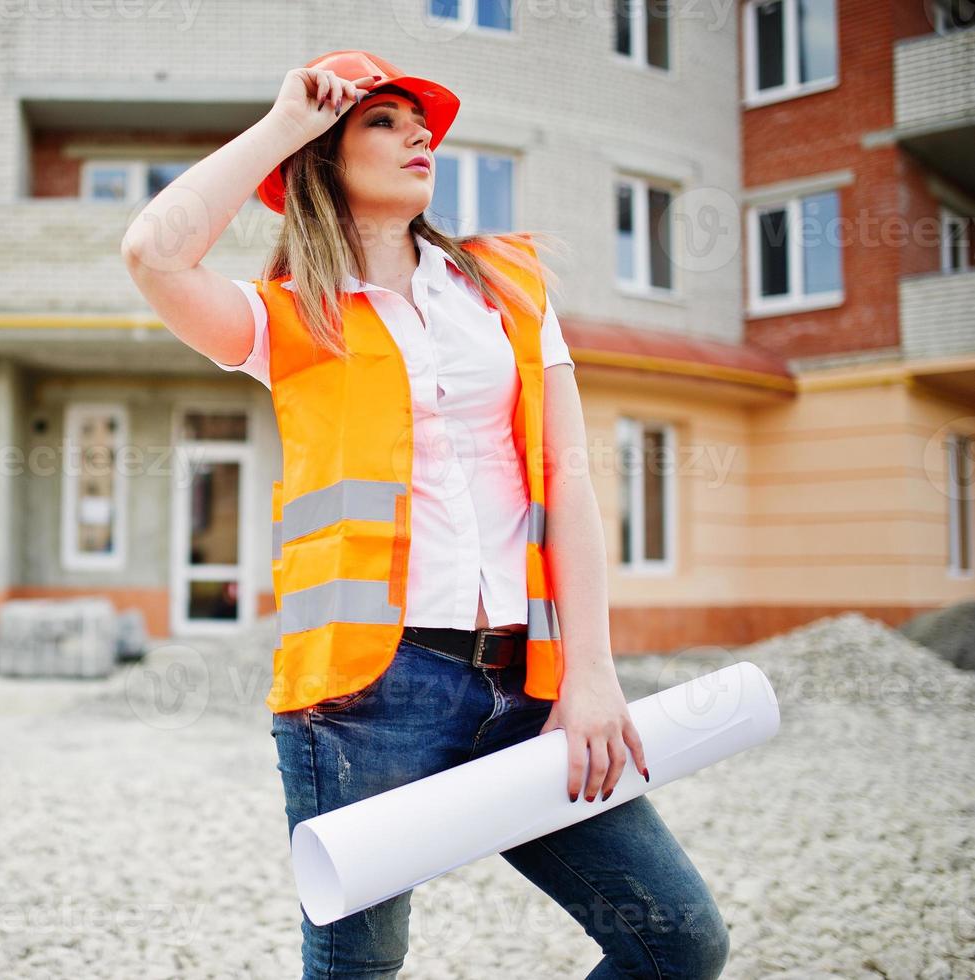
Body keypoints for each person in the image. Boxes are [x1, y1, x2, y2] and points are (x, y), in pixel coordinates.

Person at [122, 50, 730, 980]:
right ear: (324, 158)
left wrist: (594, 675)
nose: (419, 135)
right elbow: (153, 252)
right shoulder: (289, 319)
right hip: (368, 698)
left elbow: (566, 485)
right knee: (358, 966)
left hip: (531, 682)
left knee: (676, 941)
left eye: (423, 124)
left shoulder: (509, 293)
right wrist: (287, 123)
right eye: (383, 120)